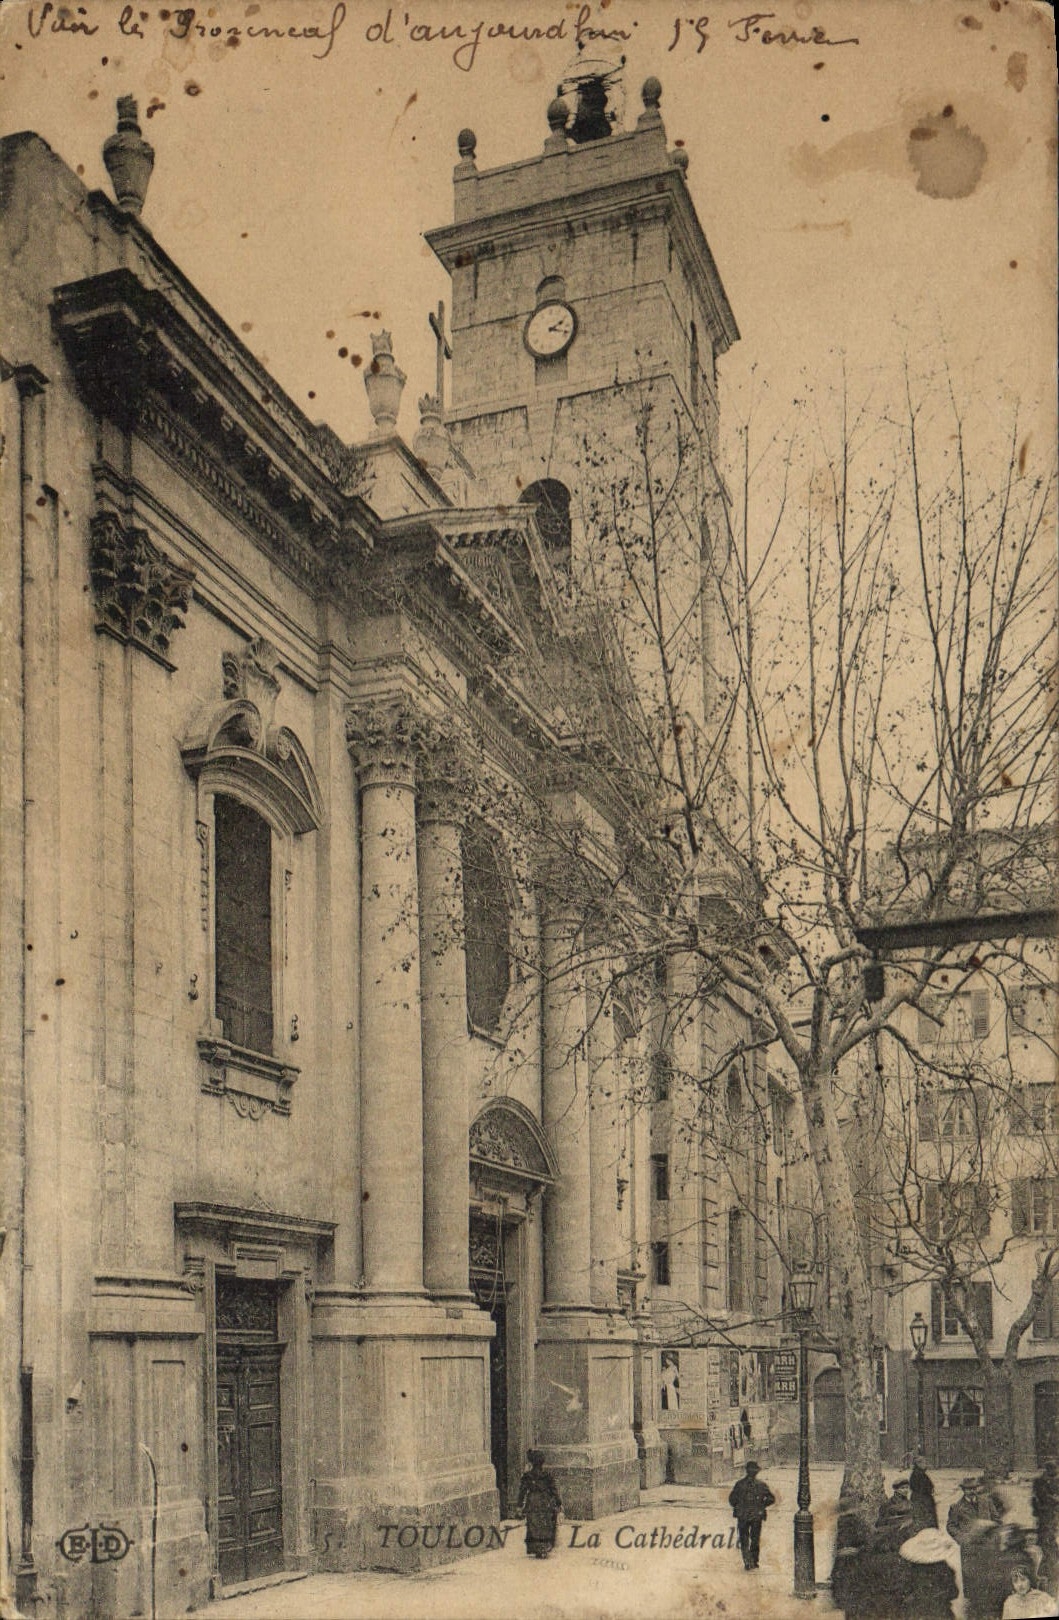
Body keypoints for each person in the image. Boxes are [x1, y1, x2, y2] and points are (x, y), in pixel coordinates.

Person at [728, 1459, 775, 1571]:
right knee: (754, 1539)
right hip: (755, 1515)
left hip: (743, 1515)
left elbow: (732, 1499)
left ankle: (748, 1561)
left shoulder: (739, 1484)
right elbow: (771, 1498)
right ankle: (753, 1561)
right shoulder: (761, 1485)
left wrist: (739, 1506)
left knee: (745, 1539)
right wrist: (762, 1505)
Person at [516, 1448, 562, 1559]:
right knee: (545, 1524)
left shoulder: (527, 1476)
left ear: (531, 1462)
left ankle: (536, 1548)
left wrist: (519, 1505)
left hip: (533, 1501)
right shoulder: (547, 1476)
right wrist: (558, 1503)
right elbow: (554, 1490)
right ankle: (544, 1548)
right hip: (546, 1501)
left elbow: (522, 1492)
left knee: (534, 1524)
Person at [1033, 1460, 1059, 1597]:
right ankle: (1048, 1575)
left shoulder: (1054, 1480)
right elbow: (1041, 1499)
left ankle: (1045, 1573)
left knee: (1051, 1548)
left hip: (1051, 1519)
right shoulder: (1039, 1482)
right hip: (1045, 1519)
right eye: (1052, 1473)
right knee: (1049, 1546)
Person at [909, 1453, 939, 1531]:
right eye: (924, 1463)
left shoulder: (920, 1473)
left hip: (923, 1499)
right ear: (918, 1464)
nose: (926, 1465)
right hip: (922, 1501)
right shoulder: (918, 1474)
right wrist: (929, 1490)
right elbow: (920, 1488)